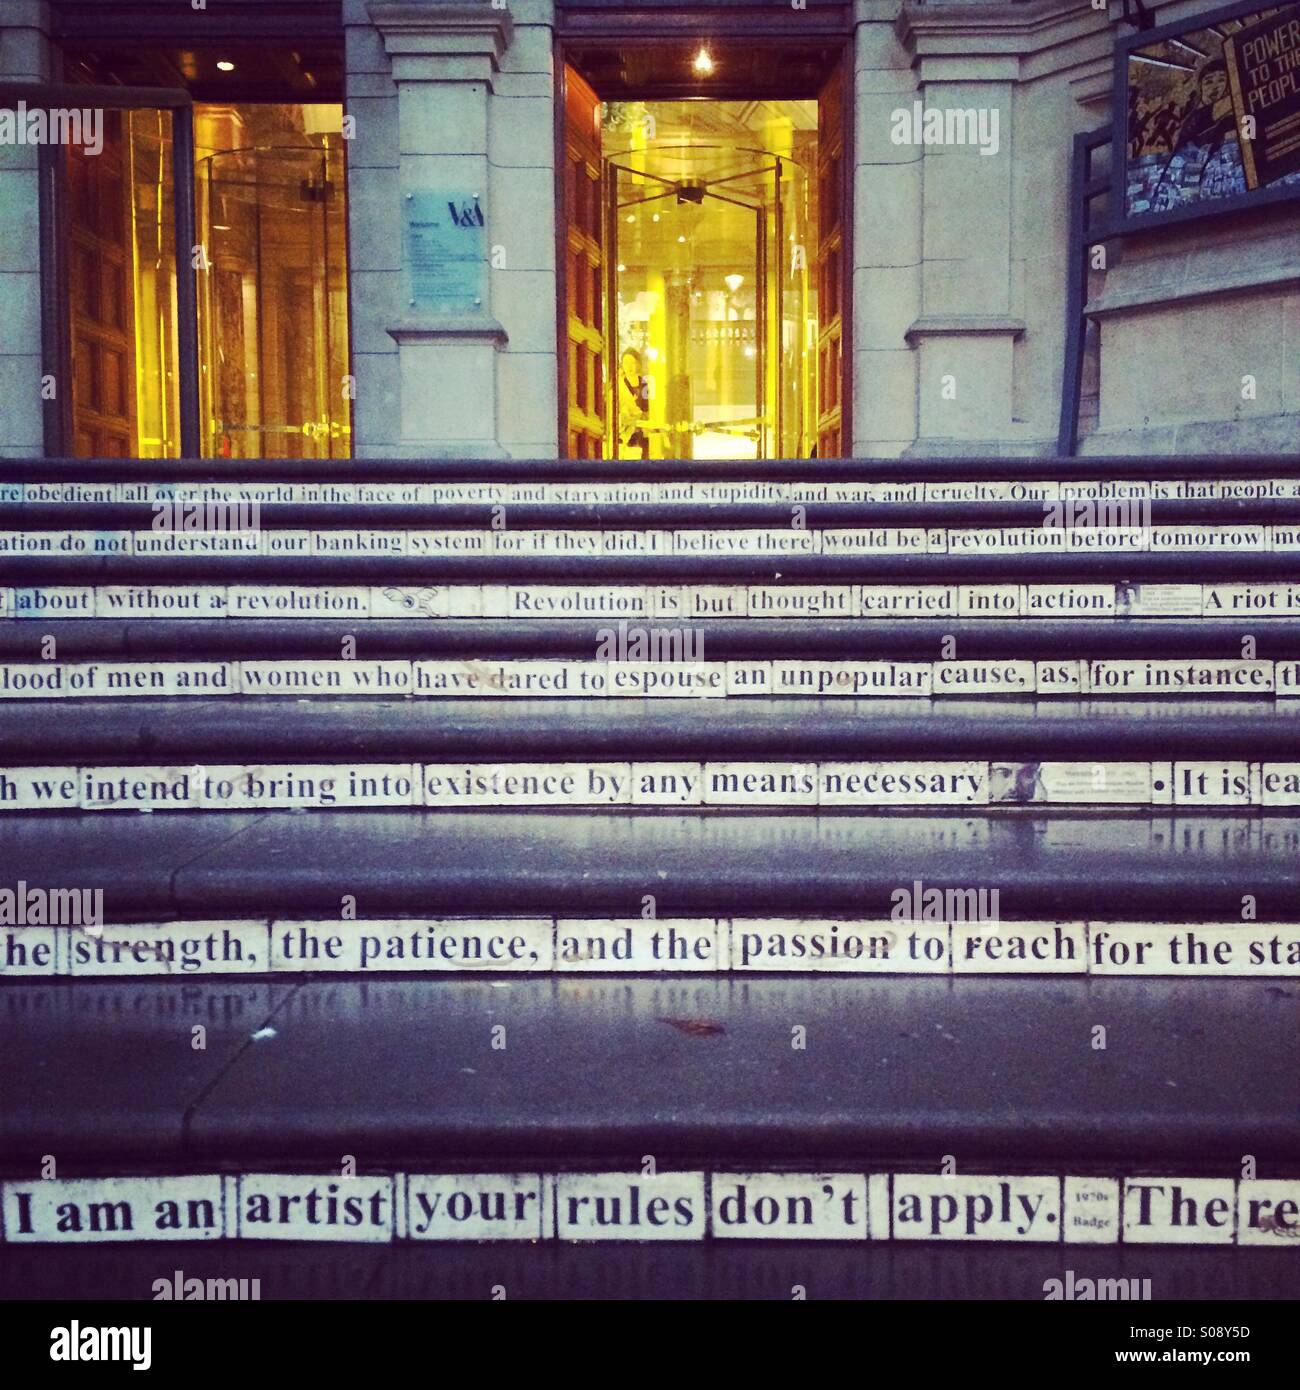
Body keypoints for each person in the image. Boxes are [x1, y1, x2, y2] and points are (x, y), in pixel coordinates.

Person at [618, 348, 651, 458]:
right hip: (624, 431)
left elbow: (647, 408)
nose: (629, 366)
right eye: (626, 362)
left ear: (638, 364)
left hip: (641, 430)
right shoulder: (619, 384)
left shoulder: (644, 383)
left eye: (632, 363)